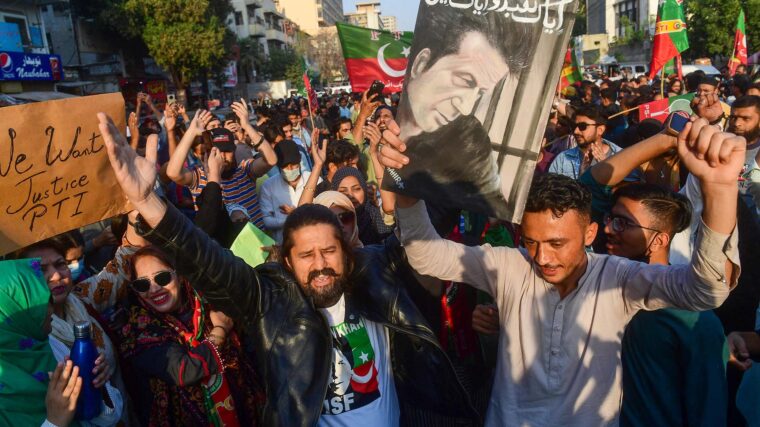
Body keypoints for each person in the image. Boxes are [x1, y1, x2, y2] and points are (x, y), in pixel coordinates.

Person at [96, 112, 477, 426]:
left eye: (328, 250)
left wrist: (417, 162)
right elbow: (207, 260)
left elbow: (427, 226)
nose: (320, 265)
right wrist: (149, 203)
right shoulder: (270, 300)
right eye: (306, 256)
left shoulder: (376, 270)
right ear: (287, 259)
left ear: (346, 250)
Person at [377, 114, 744, 425]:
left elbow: (707, 291)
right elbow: (427, 256)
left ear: (589, 233)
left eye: (556, 244)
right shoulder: (509, 265)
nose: (542, 258)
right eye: (532, 242)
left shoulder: (619, 278)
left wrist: (720, 189)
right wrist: (405, 186)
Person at [578, 137, 729, 426]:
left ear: (659, 239)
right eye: (610, 218)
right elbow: (587, 187)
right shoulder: (603, 273)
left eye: (623, 223)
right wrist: (665, 139)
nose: (607, 228)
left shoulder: (693, 318)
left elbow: (708, 411)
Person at [118, 246, 262, 426]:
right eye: (142, 284)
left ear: (178, 275)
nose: (154, 289)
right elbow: (183, 371)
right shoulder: (139, 331)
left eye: (162, 278)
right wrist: (220, 330)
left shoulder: (208, 302)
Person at [0, 258, 122, 427]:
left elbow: (108, 418)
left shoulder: (47, 345)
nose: (51, 309)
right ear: (15, 313)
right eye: (40, 303)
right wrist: (55, 422)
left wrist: (96, 387)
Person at [166, 105, 277, 228]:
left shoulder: (245, 170)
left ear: (234, 150)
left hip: (257, 243)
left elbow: (271, 160)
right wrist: (191, 133)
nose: (222, 156)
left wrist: (246, 125)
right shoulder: (199, 177)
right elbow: (172, 173)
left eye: (227, 151)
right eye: (217, 151)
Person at [260, 140, 318, 243]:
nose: (290, 169)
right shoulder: (268, 186)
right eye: (285, 166)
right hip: (284, 245)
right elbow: (267, 220)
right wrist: (289, 220)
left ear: (300, 162)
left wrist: (296, 214)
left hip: (313, 240)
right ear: (278, 166)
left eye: (294, 164)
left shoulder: (313, 180)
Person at [549, 106, 630, 180]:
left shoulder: (621, 156)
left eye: (582, 126)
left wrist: (607, 168)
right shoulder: (563, 159)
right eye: (574, 126)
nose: (576, 131)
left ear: (600, 130)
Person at [332, 167, 393, 246]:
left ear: (364, 189)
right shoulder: (330, 221)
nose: (350, 195)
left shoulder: (374, 215)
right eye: (343, 191)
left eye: (356, 189)